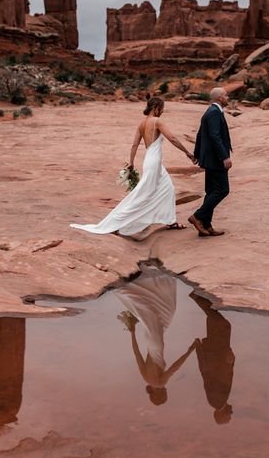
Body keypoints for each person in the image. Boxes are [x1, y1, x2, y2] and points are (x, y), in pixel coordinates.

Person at [70, 96, 195, 237]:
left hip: (151, 161)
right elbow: (172, 138)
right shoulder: (157, 122)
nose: (163, 111)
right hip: (153, 163)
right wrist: (187, 153)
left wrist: (131, 162)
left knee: (168, 188)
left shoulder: (142, 124)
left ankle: (170, 221)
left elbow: (134, 144)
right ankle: (117, 222)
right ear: (155, 108)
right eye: (162, 108)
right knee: (142, 194)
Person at [116, 266, 197, 405]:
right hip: (150, 343)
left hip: (157, 345)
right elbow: (137, 355)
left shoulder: (160, 383)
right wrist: (133, 332)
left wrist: (191, 349)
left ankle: (142, 284)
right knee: (156, 314)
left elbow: (175, 367)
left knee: (159, 312)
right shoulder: (146, 379)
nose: (166, 390)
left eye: (165, 394)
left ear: (160, 393)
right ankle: (139, 286)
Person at [188, 87, 232, 237]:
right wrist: (224, 156)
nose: (228, 97)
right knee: (222, 190)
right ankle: (198, 216)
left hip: (210, 158)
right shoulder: (214, 112)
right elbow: (214, 136)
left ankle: (206, 225)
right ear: (219, 98)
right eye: (226, 95)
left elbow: (200, 134)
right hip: (215, 159)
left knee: (212, 191)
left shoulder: (211, 111)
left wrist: (197, 154)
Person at [190, 291, 235, 424]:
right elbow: (207, 374)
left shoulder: (218, 401)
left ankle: (198, 297)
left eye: (228, 416)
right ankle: (201, 298)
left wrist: (229, 361)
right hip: (214, 354)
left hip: (217, 354)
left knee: (222, 325)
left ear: (222, 415)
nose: (231, 413)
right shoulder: (215, 402)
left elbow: (210, 374)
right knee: (217, 324)